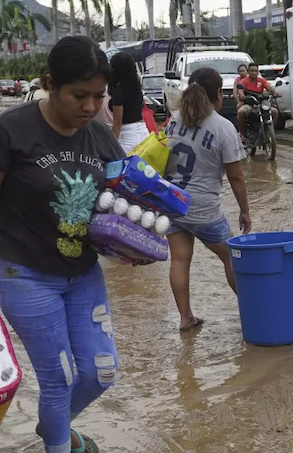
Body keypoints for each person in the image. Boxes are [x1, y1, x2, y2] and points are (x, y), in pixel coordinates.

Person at [0, 36, 125, 453]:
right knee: (59, 378)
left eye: (98, 96)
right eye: (79, 95)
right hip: (26, 274)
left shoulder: (100, 139)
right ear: (50, 83)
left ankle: (53, 426)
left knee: (101, 372)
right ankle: (59, 445)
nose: (91, 108)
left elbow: (122, 205)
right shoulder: (12, 130)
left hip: (83, 274)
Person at [163, 67, 251, 332]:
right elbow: (236, 177)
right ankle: (254, 308)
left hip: (171, 203)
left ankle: (185, 318)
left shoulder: (173, 119)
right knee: (233, 258)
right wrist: (245, 211)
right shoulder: (223, 127)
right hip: (203, 210)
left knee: (179, 260)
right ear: (217, 94)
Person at [108, 52, 149, 152]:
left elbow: (117, 122)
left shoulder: (119, 91)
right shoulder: (136, 87)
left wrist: (111, 147)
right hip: (144, 131)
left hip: (127, 136)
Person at [236, 62, 279, 138]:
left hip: (261, 104)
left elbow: (268, 87)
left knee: (274, 112)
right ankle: (242, 134)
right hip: (249, 104)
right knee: (241, 112)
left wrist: (275, 93)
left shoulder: (261, 81)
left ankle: (269, 130)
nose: (254, 73)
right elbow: (240, 90)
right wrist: (242, 95)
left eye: (256, 71)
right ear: (248, 71)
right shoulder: (244, 81)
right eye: (252, 71)